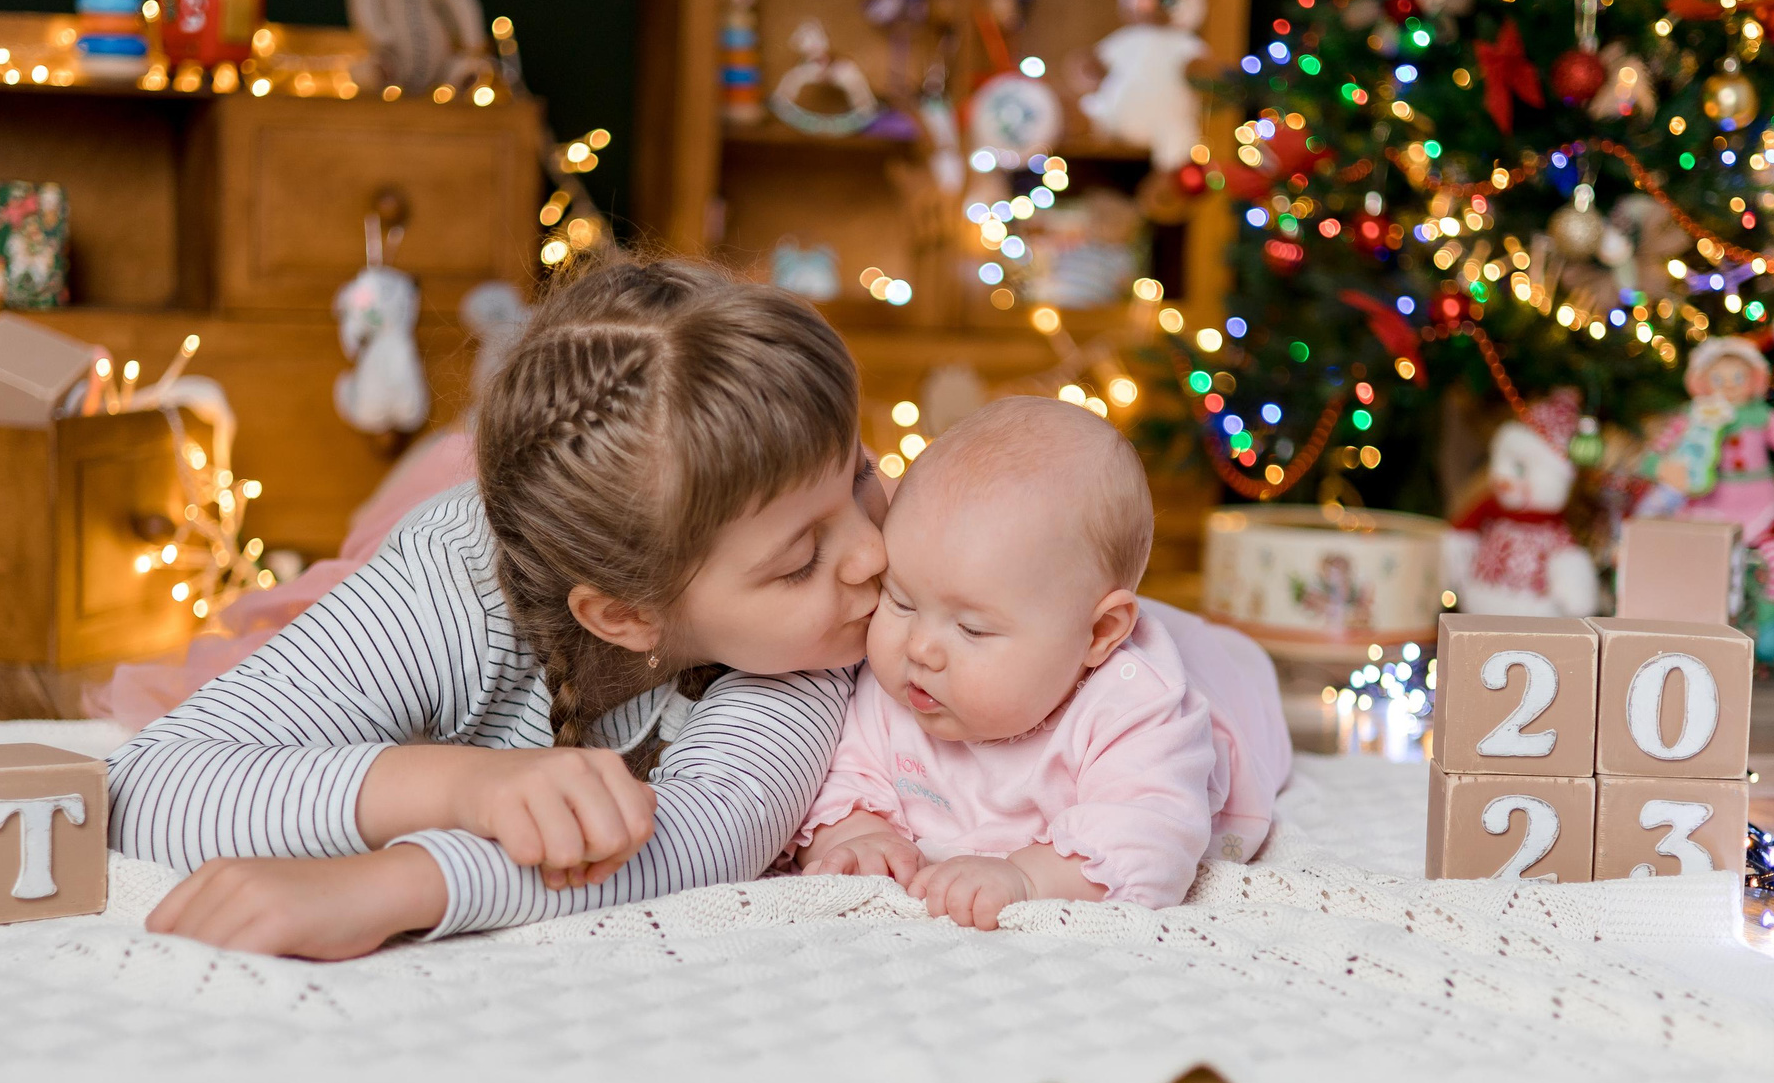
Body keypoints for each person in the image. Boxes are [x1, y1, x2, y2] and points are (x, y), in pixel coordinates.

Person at [110, 259, 887, 957]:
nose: (875, 555)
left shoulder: (831, 641)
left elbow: (708, 835)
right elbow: (140, 789)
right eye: (801, 561)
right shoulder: (452, 584)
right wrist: (462, 788)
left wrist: (401, 885)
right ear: (623, 615)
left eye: (859, 474)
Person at [798, 396, 1289, 928]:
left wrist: (1028, 877)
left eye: (972, 628)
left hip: (1232, 691)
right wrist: (859, 833)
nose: (919, 647)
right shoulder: (903, 681)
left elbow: (1150, 839)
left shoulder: (1134, 710)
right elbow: (846, 769)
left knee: (1232, 668)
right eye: (901, 600)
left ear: (1099, 634)